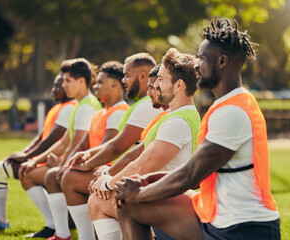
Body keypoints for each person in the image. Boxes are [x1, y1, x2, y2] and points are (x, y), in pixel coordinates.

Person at [115, 19, 281, 240]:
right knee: (128, 203)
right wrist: (146, 181)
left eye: (202, 59)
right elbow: (192, 175)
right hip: (218, 217)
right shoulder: (225, 105)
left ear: (222, 62)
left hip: (244, 228)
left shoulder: (233, 112)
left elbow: (190, 175)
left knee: (132, 199)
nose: (196, 65)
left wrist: (140, 192)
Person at [87, 48, 201, 240]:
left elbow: (144, 165)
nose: (155, 84)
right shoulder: (173, 116)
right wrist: (108, 175)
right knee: (105, 197)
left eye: (161, 79)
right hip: (162, 195)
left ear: (179, 85)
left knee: (98, 201)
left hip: (171, 202)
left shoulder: (178, 122)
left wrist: (106, 183)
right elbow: (139, 154)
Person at [59, 53, 163, 240]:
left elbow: (118, 147)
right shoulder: (141, 104)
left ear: (142, 76)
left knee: (73, 178)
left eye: (127, 76)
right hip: (130, 171)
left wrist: (93, 168)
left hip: (138, 176)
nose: (124, 81)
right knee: (77, 178)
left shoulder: (147, 105)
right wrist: (89, 157)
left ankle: (77, 235)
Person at [0, 74, 76, 232]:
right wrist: (22, 154)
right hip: (42, 160)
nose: (54, 90)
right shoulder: (58, 107)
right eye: (54, 85)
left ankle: (53, 225)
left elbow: (52, 140)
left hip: (54, 163)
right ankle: (3, 221)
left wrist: (27, 157)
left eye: (59, 86)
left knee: (4, 170)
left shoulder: (71, 107)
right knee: (2, 168)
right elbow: (41, 137)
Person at [42, 61, 129, 240]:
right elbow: (82, 144)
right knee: (56, 174)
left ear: (114, 85)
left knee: (70, 178)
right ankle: (63, 234)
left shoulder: (119, 111)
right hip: (97, 167)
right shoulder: (100, 113)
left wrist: (83, 166)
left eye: (100, 83)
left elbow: (109, 147)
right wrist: (67, 163)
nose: (95, 86)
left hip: (112, 170)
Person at [18, 58, 102, 238]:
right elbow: (64, 143)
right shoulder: (80, 104)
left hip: (89, 167)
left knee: (47, 175)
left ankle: (60, 232)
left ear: (81, 81)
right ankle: (59, 230)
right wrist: (34, 161)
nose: (63, 85)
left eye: (67, 81)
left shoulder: (86, 107)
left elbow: (77, 144)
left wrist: (62, 165)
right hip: (81, 164)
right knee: (31, 172)